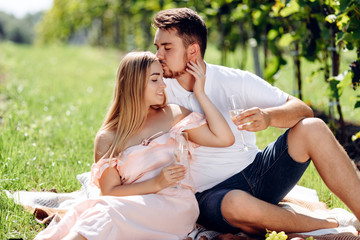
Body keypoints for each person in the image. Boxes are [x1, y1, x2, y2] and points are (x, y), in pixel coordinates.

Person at [153, 7, 360, 235]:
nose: (158, 56)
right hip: (211, 194)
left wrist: (268, 117)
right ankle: (330, 225)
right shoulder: (158, 91)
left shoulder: (233, 80)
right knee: (237, 204)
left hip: (259, 171)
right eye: (157, 47)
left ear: (192, 51)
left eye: (167, 48)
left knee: (313, 127)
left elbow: (302, 110)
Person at [34, 51, 234, 240]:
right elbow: (110, 191)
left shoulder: (173, 115)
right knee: (94, 211)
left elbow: (224, 138)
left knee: (104, 213)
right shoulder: (109, 137)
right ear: (134, 84)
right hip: (130, 205)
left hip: (175, 206)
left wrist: (200, 92)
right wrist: (155, 183)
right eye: (155, 79)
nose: (163, 85)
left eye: (162, 78)